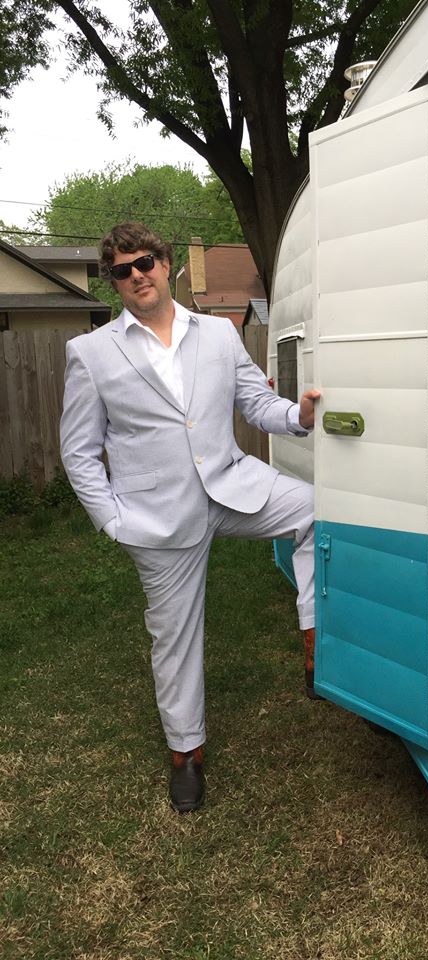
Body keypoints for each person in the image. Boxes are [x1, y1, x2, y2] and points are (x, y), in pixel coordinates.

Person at [60, 223, 321, 813]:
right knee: (175, 640)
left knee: (315, 510)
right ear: (113, 282)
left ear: (164, 262)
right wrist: (113, 522)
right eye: (122, 270)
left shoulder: (219, 333)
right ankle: (186, 754)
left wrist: (298, 417)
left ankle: (315, 641)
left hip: (230, 484)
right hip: (156, 516)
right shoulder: (91, 353)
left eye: (144, 262)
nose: (136, 275)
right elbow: (78, 452)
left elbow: (255, 402)